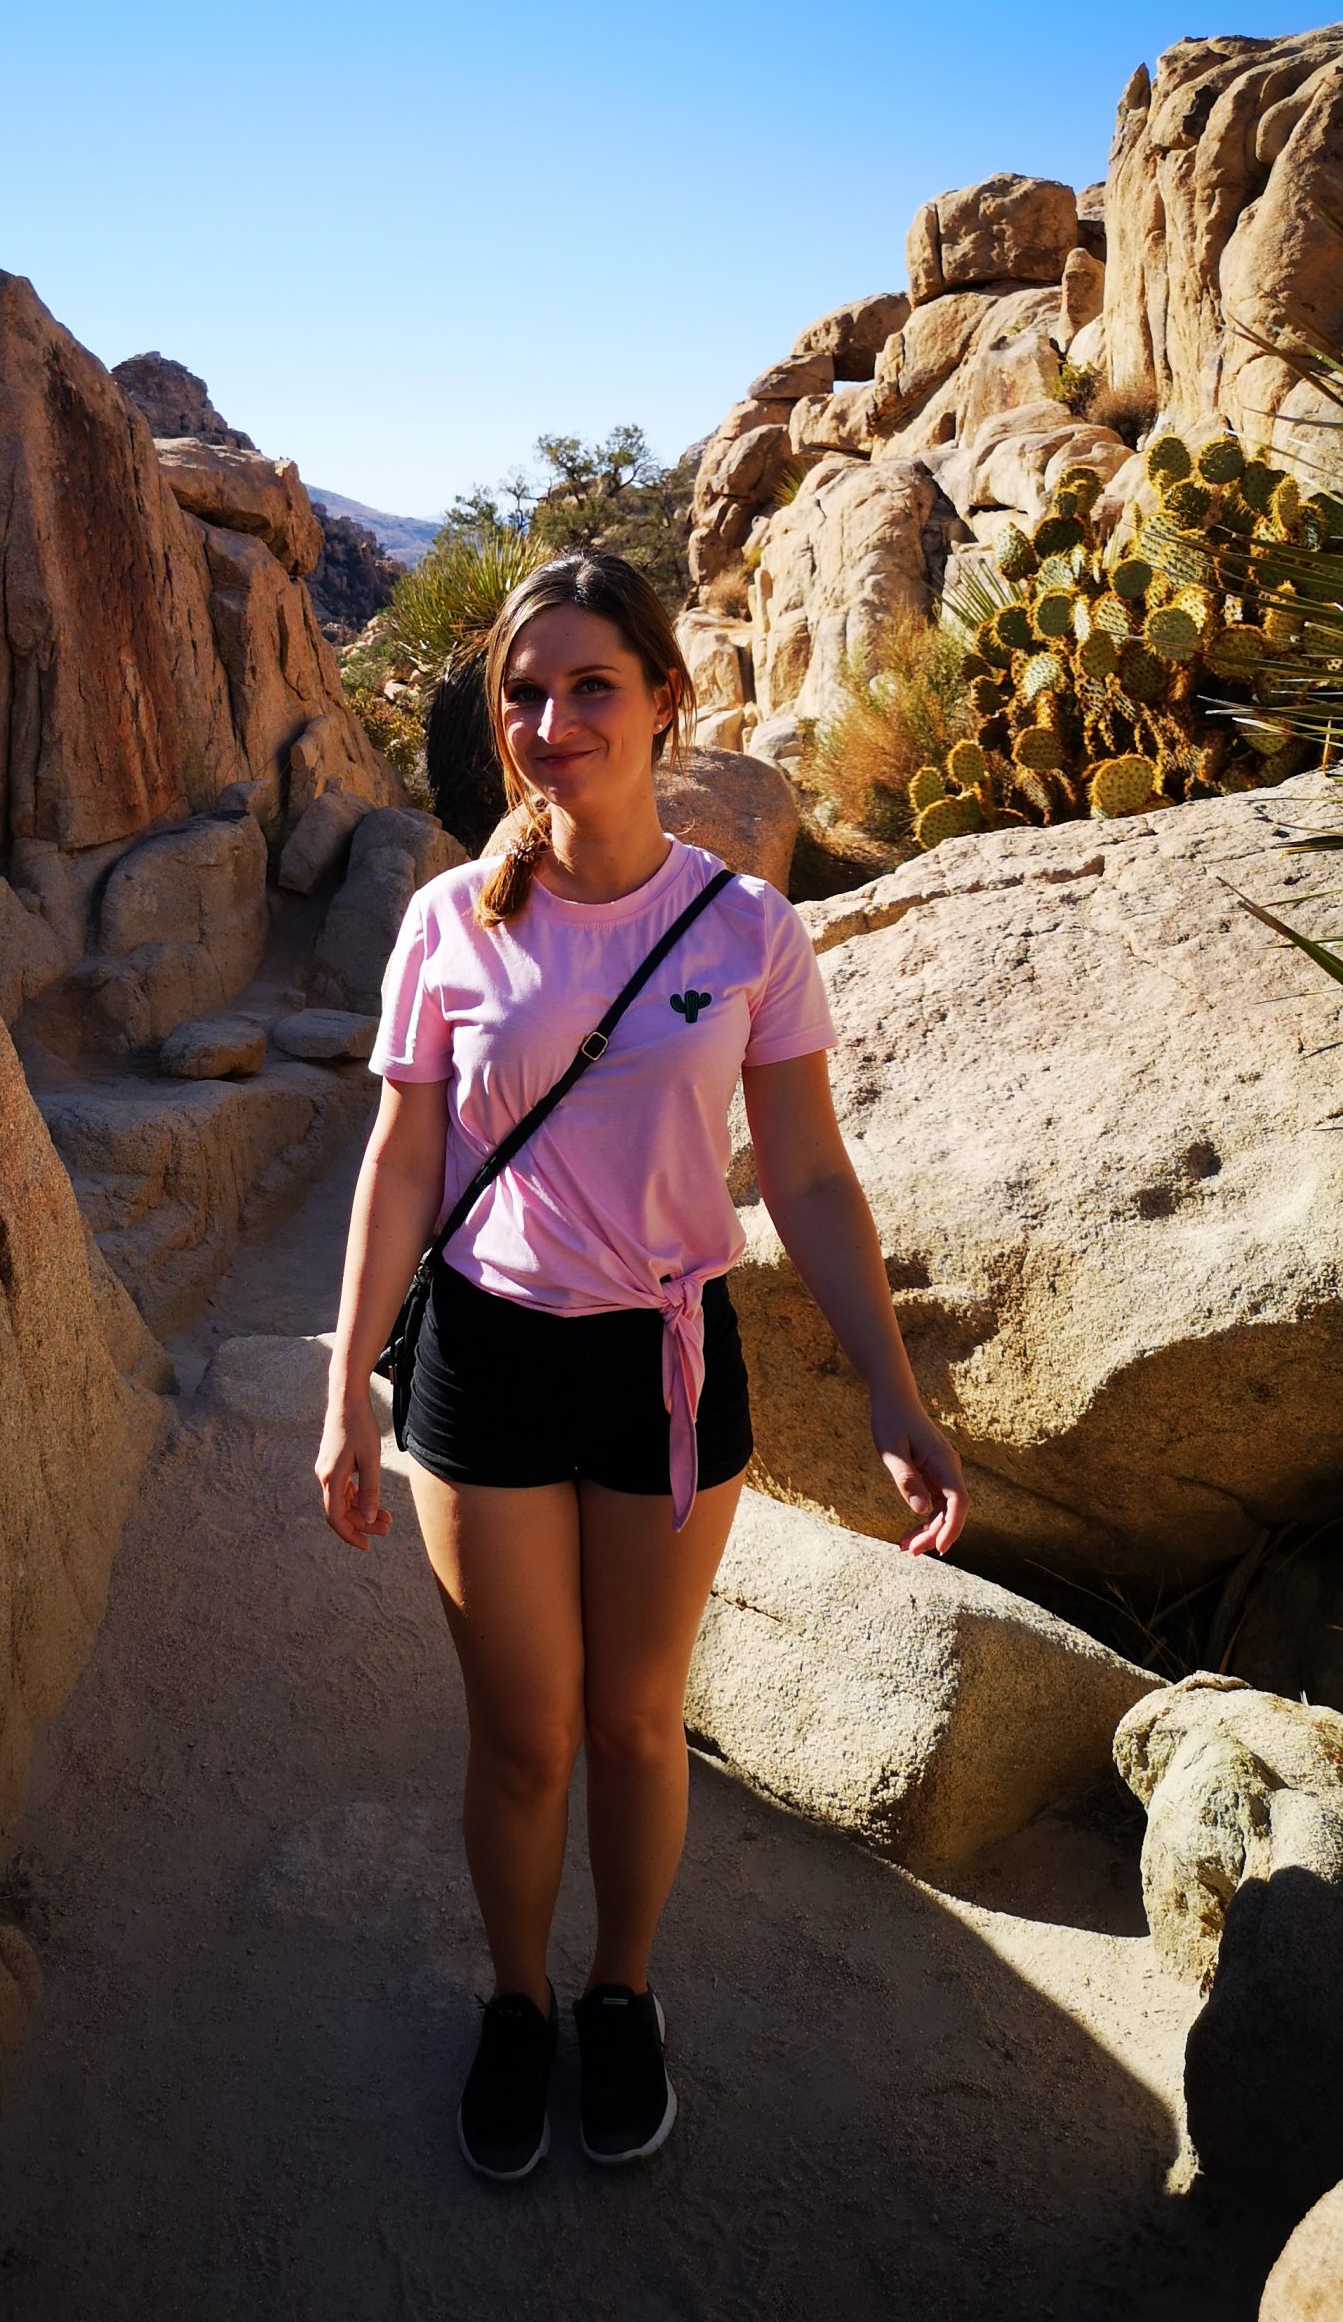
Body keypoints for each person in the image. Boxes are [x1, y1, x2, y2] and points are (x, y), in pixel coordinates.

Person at [312, 549, 968, 2183]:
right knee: (525, 1734)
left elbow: (807, 1175)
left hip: (668, 1363)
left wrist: (893, 1389)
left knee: (637, 1720)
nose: (551, 722)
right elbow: (401, 1165)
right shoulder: (447, 923)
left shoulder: (746, 927)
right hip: (485, 1361)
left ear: (667, 699)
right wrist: (345, 1391)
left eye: (591, 685)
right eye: (523, 695)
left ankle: (624, 1993)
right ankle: (520, 2000)